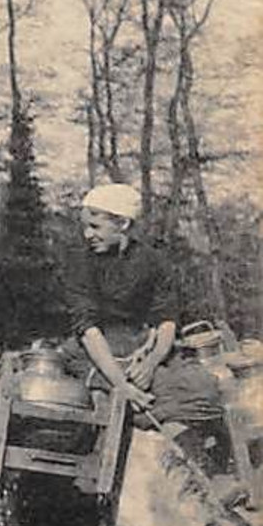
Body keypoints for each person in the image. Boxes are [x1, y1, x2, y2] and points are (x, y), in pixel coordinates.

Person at [60, 181, 228, 473]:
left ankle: (145, 422)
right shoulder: (79, 261)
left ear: (123, 224)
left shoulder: (153, 262)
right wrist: (122, 385)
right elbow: (87, 328)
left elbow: (167, 321)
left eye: (96, 227)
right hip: (93, 349)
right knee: (108, 397)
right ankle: (173, 445)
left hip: (142, 346)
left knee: (206, 391)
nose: (88, 235)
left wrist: (151, 363)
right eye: (85, 227)